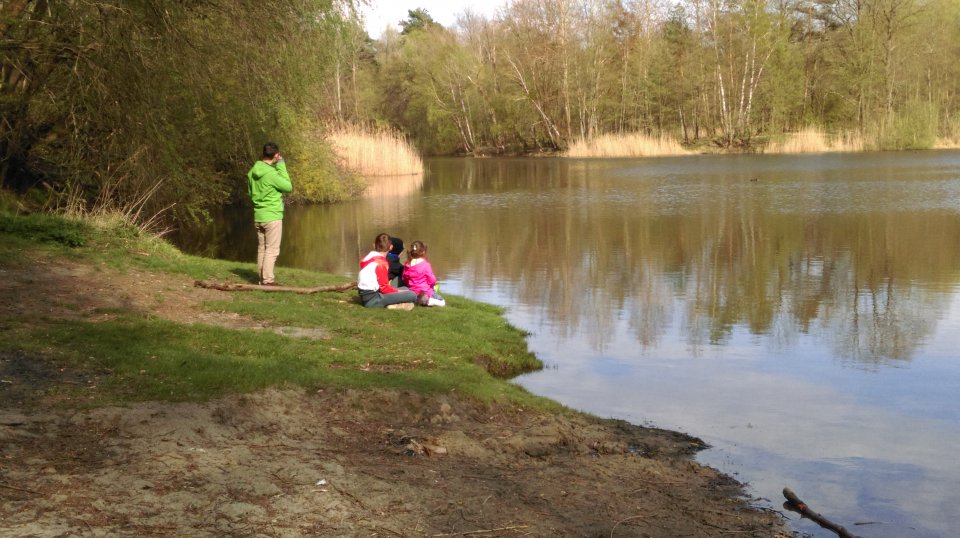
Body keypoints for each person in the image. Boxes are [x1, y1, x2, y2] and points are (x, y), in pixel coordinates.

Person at [247, 142, 292, 286]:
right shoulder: (272, 174)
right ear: (276, 155)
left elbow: (250, 193)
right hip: (272, 216)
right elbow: (288, 186)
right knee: (272, 250)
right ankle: (267, 281)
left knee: (262, 249)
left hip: (258, 216)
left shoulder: (252, 172)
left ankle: (262, 279)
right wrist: (281, 165)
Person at [358, 233, 418, 309]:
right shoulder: (381, 263)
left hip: (366, 295)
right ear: (391, 247)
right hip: (373, 299)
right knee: (412, 294)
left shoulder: (368, 257)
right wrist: (399, 292)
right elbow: (384, 289)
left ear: (374, 245)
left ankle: (395, 303)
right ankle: (393, 306)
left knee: (405, 288)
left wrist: (401, 291)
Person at [401, 240, 446, 307]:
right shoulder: (425, 264)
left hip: (412, 290)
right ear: (423, 252)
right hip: (425, 291)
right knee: (442, 301)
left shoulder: (407, 264)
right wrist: (433, 285)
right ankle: (427, 301)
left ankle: (418, 299)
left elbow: (404, 278)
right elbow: (432, 280)